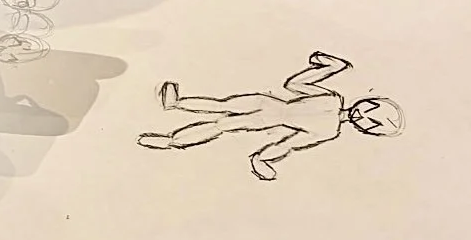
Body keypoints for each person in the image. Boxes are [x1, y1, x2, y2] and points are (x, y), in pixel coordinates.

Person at [138, 52, 404, 181]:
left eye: (372, 121)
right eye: (371, 107)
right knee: (221, 106)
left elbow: (288, 144)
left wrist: (262, 158)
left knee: (222, 124)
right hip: (266, 102)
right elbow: (296, 85)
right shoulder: (333, 98)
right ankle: (177, 104)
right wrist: (329, 67)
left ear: (370, 131)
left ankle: (172, 140)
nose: (364, 114)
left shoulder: (328, 131)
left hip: (268, 120)